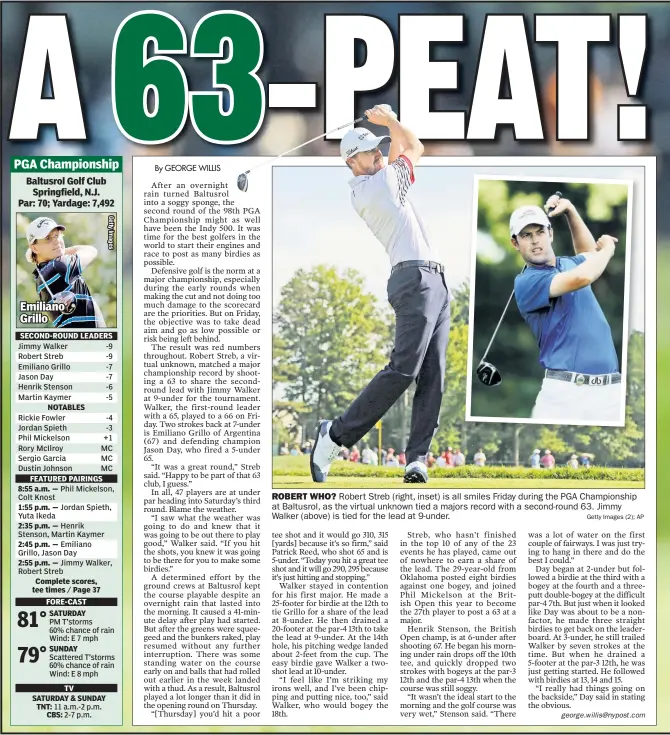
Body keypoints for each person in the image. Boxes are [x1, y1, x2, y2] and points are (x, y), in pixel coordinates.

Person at [310, 105, 450, 484]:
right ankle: (335, 434)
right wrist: (389, 120)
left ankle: (417, 458)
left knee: (433, 374)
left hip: (434, 281)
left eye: (378, 149)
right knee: (404, 369)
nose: (378, 153)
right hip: (414, 280)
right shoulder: (380, 186)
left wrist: (388, 127)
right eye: (371, 151)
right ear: (353, 162)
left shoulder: (377, 182)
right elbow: (415, 146)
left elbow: (398, 153)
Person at [511, 194, 621, 423]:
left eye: (540, 232)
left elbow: (589, 255)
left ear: (550, 233)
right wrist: (608, 249)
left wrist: (570, 210)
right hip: (564, 394)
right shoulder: (526, 282)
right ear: (515, 243)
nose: (535, 241)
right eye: (526, 235)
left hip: (610, 392)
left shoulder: (567, 263)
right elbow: (585, 275)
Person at [26, 217, 106, 328]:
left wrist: (59, 250)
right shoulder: (60, 265)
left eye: (57, 235)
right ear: (34, 248)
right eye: (48, 238)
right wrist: (63, 251)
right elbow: (91, 250)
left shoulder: (40, 277)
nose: (56, 241)